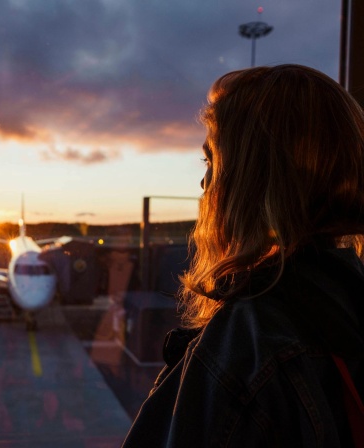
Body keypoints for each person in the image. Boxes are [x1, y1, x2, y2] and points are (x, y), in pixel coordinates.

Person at [122, 64, 364, 447]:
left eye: (212, 161)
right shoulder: (349, 305)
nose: (204, 183)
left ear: (253, 180)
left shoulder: (246, 347)